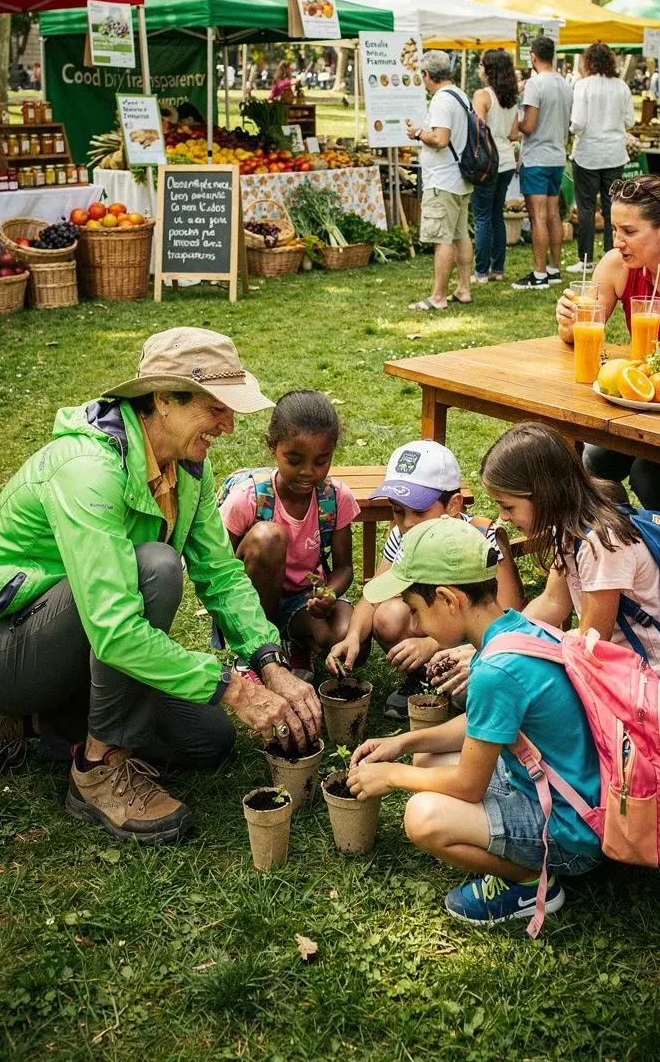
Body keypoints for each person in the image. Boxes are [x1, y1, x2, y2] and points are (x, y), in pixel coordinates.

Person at [0, 328, 319, 843]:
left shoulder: (189, 466)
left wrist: (268, 662)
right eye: (217, 408)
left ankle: (27, 723)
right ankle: (96, 767)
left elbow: (222, 575)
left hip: (82, 642)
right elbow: (116, 629)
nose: (230, 426)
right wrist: (231, 687)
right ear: (164, 399)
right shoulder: (88, 470)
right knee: (157, 568)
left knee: (209, 742)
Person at [346, 518, 601, 927]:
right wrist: (404, 744)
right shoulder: (515, 631)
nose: (414, 626)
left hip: (572, 832)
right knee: (426, 759)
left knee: (423, 817)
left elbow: (468, 785)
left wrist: (389, 775)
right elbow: (483, 724)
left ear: (448, 600)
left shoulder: (495, 672)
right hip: (560, 789)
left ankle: (532, 883)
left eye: (416, 611)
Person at [481, 423, 660, 709]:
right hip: (618, 671)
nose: (503, 517)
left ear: (545, 494)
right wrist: (495, 642)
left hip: (657, 688)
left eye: (508, 506)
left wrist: (511, 654)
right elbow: (552, 601)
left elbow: (592, 642)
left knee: (522, 699)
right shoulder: (571, 523)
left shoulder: (600, 544)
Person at [555, 175, 660, 516]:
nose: (618, 242)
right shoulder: (617, 266)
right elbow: (583, 329)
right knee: (594, 459)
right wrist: (568, 320)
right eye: (615, 230)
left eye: (629, 232)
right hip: (642, 402)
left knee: (648, 473)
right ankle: (626, 541)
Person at [324, 440, 524, 716]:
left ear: (453, 504)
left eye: (419, 511)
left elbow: (510, 613)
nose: (406, 523)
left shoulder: (481, 537)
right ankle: (423, 679)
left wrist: (431, 645)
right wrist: (354, 637)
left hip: (476, 643)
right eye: (397, 510)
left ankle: (457, 687)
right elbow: (373, 598)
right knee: (388, 615)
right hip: (439, 626)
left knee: (472, 694)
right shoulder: (402, 536)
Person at [218, 391, 360, 675]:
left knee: (348, 635)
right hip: (253, 601)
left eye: (321, 462)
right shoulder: (249, 497)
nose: (308, 472)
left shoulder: (335, 497)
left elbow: (344, 567)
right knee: (270, 537)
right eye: (294, 460)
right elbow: (219, 566)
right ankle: (257, 649)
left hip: (304, 600)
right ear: (273, 447)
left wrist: (329, 593)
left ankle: (297, 642)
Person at [405, 50, 473, 311]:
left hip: (443, 180)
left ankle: (438, 297)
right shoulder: (460, 95)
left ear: (427, 74)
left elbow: (441, 139)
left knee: (442, 238)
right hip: (459, 177)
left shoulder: (441, 100)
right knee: (460, 235)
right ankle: (464, 289)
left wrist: (418, 132)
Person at [567, 43, 635, 276]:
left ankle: (585, 259)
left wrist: (571, 128)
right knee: (612, 209)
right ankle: (613, 255)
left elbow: (578, 122)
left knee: (585, 208)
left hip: (588, 153)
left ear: (588, 62)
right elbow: (629, 121)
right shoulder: (622, 87)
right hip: (615, 153)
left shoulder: (583, 86)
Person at [513, 36, 572, 290]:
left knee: (537, 217)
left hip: (537, 156)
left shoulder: (535, 84)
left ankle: (539, 274)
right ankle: (554, 268)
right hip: (557, 155)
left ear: (533, 57)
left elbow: (529, 124)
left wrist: (514, 120)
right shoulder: (565, 84)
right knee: (552, 215)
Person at [471, 50, 520, 283]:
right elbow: (513, 133)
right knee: (496, 216)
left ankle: (480, 271)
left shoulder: (482, 96)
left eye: (481, 64)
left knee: (481, 216)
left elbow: (478, 128)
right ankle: (497, 269)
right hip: (507, 160)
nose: (478, 69)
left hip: (488, 161)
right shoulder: (510, 97)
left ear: (488, 69)